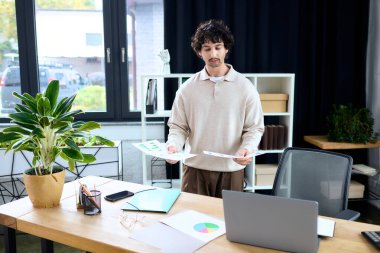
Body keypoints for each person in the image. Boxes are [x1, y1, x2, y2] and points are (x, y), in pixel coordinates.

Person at [166, 19, 264, 198]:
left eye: (218, 47)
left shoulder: (245, 87)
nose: (213, 53)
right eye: (207, 48)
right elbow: (178, 126)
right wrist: (173, 145)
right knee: (190, 221)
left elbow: (254, 128)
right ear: (199, 52)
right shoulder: (187, 89)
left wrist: (247, 148)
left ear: (226, 49)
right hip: (194, 168)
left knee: (229, 223)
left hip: (231, 170)